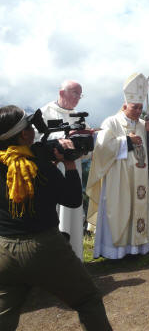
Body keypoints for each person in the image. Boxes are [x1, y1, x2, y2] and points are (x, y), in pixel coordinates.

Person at [0, 105, 112, 330]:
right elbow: (72, 199)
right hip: (44, 248)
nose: (33, 130)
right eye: (30, 126)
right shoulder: (38, 166)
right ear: (23, 134)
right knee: (88, 299)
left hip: (4, 251)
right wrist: (69, 163)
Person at [86, 73, 149, 259]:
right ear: (125, 105)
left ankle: (137, 248)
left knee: (138, 209)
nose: (138, 111)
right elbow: (101, 148)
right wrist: (125, 141)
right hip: (119, 179)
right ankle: (115, 253)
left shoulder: (144, 124)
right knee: (120, 210)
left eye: (141, 108)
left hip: (140, 178)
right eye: (135, 107)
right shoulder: (111, 122)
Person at [36, 80, 87, 260]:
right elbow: (36, 139)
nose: (78, 98)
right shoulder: (45, 112)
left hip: (74, 167)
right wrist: (62, 138)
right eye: (75, 93)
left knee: (74, 211)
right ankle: (55, 261)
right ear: (61, 92)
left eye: (80, 95)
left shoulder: (77, 115)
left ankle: (76, 258)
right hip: (53, 169)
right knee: (56, 210)